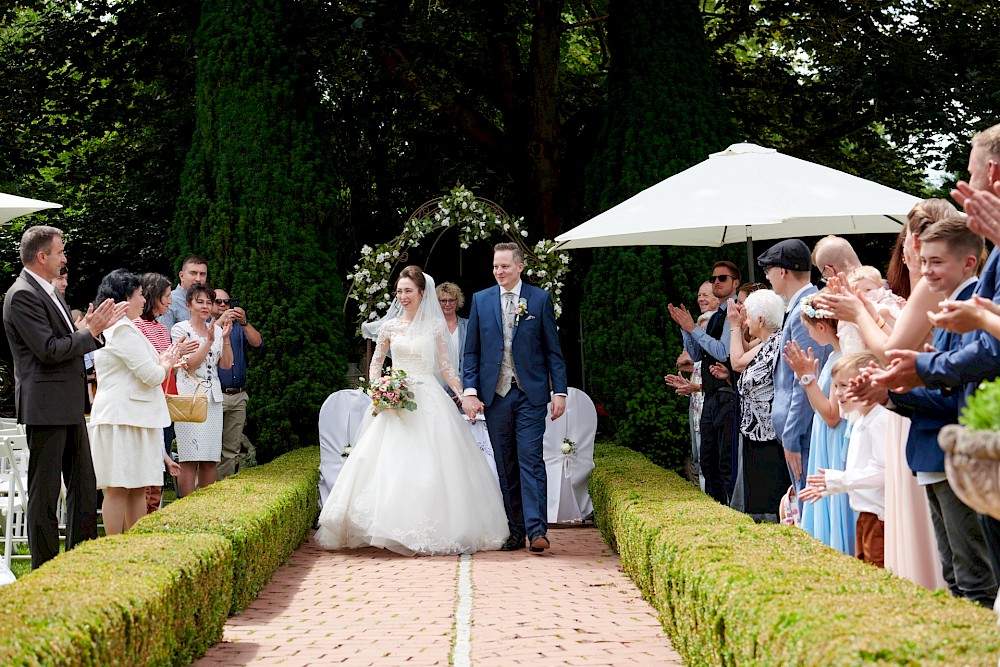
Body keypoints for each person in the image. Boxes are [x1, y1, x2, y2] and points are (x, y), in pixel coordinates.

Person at [870, 124, 1000, 585]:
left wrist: (913, 371)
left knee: (973, 575)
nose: (924, 273)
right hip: (949, 444)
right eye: (921, 262)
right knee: (958, 571)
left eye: (933, 263)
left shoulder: (965, 300)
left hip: (969, 441)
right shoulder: (957, 300)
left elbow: (978, 361)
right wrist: (890, 393)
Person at [317, 266, 508, 555]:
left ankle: (428, 529)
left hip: (428, 398)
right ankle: (381, 527)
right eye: (399, 292)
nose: (403, 297)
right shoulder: (389, 327)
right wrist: (380, 389)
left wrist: (464, 395)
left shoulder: (435, 326)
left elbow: (446, 369)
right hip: (394, 400)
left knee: (431, 464)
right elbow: (375, 364)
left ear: (422, 293)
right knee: (385, 462)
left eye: (408, 291)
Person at [2, 225, 126, 568]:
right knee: (44, 493)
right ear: (42, 257)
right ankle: (46, 567)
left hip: (69, 404)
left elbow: (70, 342)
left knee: (85, 486)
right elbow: (49, 350)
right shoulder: (22, 294)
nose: (64, 258)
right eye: (60, 252)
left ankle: (80, 560)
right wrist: (91, 331)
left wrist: (90, 330)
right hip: (45, 408)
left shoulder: (50, 292)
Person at [463, 243, 568, 553]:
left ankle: (537, 530)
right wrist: (470, 390)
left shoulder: (539, 299)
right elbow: (472, 351)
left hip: (530, 394)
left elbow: (553, 350)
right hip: (496, 395)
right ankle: (515, 529)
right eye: (496, 266)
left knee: (531, 459)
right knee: (505, 463)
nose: (499, 271)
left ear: (520, 267)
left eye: (505, 266)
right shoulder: (481, 301)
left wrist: (558, 391)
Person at [89, 270, 183, 534]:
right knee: (118, 487)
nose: (144, 300)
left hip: (135, 417)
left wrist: (167, 360)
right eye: (140, 295)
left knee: (137, 487)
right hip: (121, 419)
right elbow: (151, 375)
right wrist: (166, 363)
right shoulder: (120, 330)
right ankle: (115, 549)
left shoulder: (128, 328)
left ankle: (135, 546)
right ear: (125, 298)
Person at [782, 292, 854, 556]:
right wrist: (809, 378)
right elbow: (819, 406)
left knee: (836, 506)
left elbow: (832, 414)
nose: (810, 336)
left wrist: (807, 379)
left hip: (834, 440)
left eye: (809, 329)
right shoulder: (835, 355)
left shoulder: (843, 358)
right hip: (825, 438)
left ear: (822, 327)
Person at [758, 239, 831, 498]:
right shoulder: (801, 305)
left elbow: (806, 376)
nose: (767, 276)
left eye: (769, 270)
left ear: (783, 271)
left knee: (807, 504)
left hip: (803, 431)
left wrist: (791, 436)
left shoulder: (805, 309)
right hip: (799, 429)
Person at [800, 352, 888, 568]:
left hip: (880, 519)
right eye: (836, 386)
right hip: (865, 517)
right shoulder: (860, 422)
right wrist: (832, 486)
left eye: (844, 386)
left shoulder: (879, 421)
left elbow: (884, 472)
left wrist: (837, 481)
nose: (838, 393)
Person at [669, 261, 742, 506]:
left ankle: (731, 516)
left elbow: (723, 352)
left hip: (728, 395)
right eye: (713, 279)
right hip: (710, 397)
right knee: (707, 462)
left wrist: (692, 328)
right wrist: (686, 330)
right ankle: (714, 513)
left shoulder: (735, 312)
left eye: (722, 278)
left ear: (735, 283)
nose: (716, 283)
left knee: (725, 464)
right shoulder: (714, 318)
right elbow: (698, 356)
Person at [134, 273, 197, 513]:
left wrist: (176, 359)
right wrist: (172, 357)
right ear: (153, 297)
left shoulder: (161, 328)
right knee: (147, 462)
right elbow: (150, 365)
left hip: (164, 399)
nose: (170, 302)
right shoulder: (136, 327)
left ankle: (152, 512)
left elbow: (163, 363)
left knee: (160, 458)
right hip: (146, 402)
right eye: (167, 297)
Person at [726, 289, 789, 522]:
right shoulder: (768, 342)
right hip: (757, 434)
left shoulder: (776, 342)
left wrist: (734, 327)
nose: (746, 321)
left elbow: (737, 362)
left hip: (769, 436)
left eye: (750, 317)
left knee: (768, 501)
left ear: (761, 320)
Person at [171, 284, 232, 497]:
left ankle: (207, 505)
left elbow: (225, 365)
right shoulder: (180, 329)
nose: (205, 306)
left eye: (209, 302)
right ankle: (186, 505)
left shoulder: (217, 329)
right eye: (200, 301)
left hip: (213, 395)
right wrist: (208, 341)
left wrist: (224, 340)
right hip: (189, 394)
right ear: (188, 305)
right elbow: (189, 365)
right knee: (189, 455)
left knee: (210, 456)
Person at [209, 289, 263, 479]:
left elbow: (258, 343)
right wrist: (220, 321)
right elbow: (205, 341)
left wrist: (244, 322)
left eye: (227, 302)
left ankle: (224, 490)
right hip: (215, 394)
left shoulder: (238, 327)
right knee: (210, 447)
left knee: (231, 449)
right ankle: (203, 492)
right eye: (218, 302)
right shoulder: (207, 326)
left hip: (238, 395)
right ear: (210, 303)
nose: (224, 305)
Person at [159, 255, 208, 331]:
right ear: (181, 276)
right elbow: (163, 337)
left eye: (202, 274)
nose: (198, 279)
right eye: (193, 273)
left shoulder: (208, 302)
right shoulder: (170, 300)